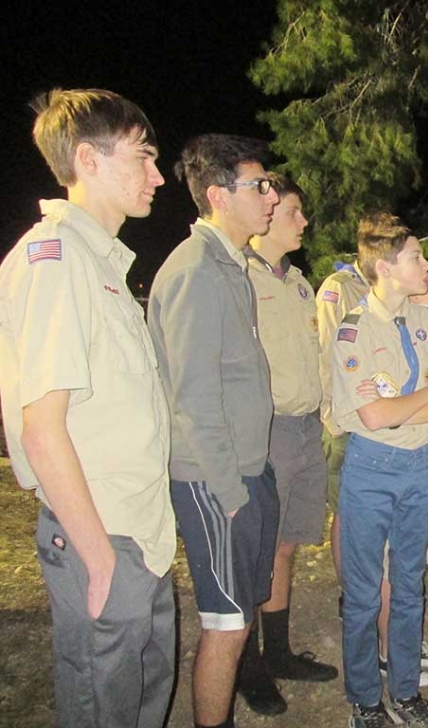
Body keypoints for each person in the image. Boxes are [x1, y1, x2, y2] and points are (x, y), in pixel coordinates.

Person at [0, 88, 175, 728]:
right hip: (102, 532)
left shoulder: (101, 265)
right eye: (143, 156)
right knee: (103, 704)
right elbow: (40, 429)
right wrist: (98, 557)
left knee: (141, 698)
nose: (157, 176)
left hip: (141, 531)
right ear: (89, 159)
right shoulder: (56, 261)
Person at [148, 134, 280, 728]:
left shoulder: (232, 264)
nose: (272, 196)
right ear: (217, 195)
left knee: (240, 614)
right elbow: (194, 396)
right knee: (225, 624)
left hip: (248, 470)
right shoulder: (195, 270)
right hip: (214, 482)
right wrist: (229, 492)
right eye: (260, 185)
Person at [331, 213, 428, 728]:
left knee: (409, 585)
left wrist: (413, 401)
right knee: (364, 593)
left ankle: (405, 691)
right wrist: (426, 397)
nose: (426, 265)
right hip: (371, 469)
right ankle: (366, 700)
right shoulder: (353, 330)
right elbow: (373, 416)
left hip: (417, 468)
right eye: (415, 258)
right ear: (385, 267)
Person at [238, 175, 339, 715]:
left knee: (285, 546)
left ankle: (277, 651)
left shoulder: (299, 282)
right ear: (270, 213)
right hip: (267, 429)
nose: (303, 222)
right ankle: (246, 663)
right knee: (256, 549)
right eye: (295, 211)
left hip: (303, 427)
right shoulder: (240, 276)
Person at [316, 251, 370, 614]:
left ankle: (367, 589)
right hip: (345, 418)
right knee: (347, 511)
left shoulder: (380, 289)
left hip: (375, 420)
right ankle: (349, 592)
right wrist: (335, 416)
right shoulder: (338, 289)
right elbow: (327, 352)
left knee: (367, 512)